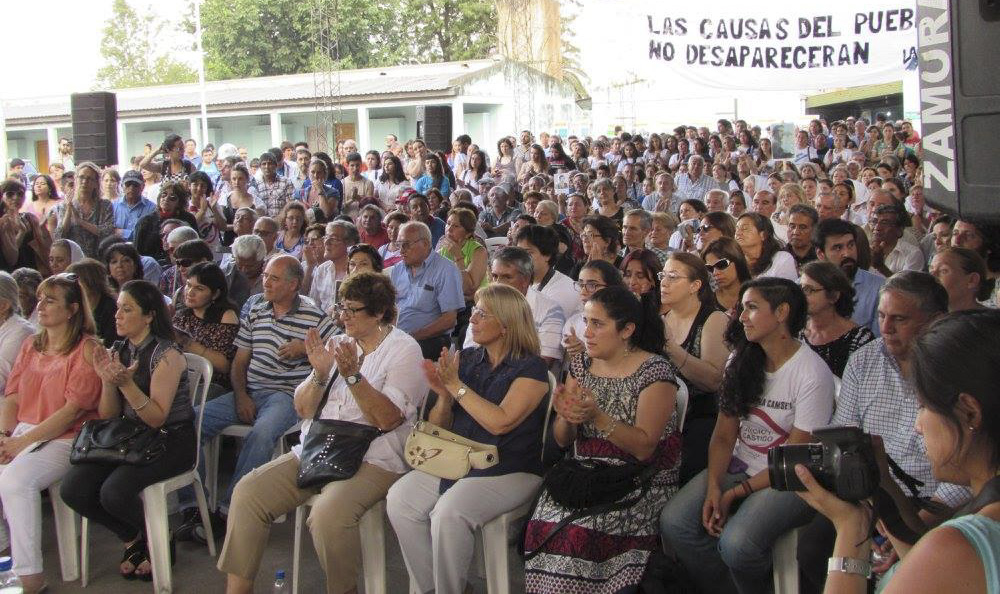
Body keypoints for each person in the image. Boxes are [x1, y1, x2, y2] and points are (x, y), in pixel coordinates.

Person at [219, 272, 426, 594]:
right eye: (341, 308)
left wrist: (354, 377)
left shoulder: (404, 349)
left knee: (328, 516)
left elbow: (387, 419)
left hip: (374, 456)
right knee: (248, 493)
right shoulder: (338, 342)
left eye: (352, 310)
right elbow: (302, 409)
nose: (343, 317)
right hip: (321, 447)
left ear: (379, 312)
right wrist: (319, 373)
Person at [796, 309, 1000, 594]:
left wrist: (851, 527)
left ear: (969, 413)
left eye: (924, 407)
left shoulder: (959, 546)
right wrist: (882, 485)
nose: (917, 426)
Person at [660, 277, 835, 594]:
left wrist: (734, 493)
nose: (740, 316)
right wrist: (715, 486)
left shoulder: (811, 373)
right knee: (676, 523)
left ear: (781, 312)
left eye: (751, 308)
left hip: (790, 476)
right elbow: (724, 436)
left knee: (738, 544)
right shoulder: (740, 360)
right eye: (742, 308)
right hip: (742, 465)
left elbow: (794, 457)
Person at [387, 283, 550, 594]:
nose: (472, 318)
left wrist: (456, 386)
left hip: (509, 466)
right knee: (400, 499)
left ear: (505, 325)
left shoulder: (531, 368)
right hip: (459, 459)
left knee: (448, 512)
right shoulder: (471, 357)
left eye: (481, 313)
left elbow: (500, 423)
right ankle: (434, 588)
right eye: (474, 311)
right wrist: (443, 395)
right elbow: (441, 427)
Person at [523, 286, 680, 592]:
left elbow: (645, 447)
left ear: (627, 330)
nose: (587, 332)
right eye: (586, 321)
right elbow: (563, 440)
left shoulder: (654, 371)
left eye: (598, 324)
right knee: (543, 524)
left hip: (639, 479)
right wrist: (567, 417)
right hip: (588, 473)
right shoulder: (581, 366)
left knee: (579, 533)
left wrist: (597, 417)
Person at [175, 255, 336, 539]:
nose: (266, 283)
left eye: (274, 278)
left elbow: (338, 350)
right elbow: (239, 362)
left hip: (286, 396)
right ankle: (194, 508)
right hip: (250, 390)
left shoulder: (314, 317)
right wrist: (240, 395)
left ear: (294, 284)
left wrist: (308, 348)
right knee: (190, 422)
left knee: (261, 433)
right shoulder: (257, 309)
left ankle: (230, 509)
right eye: (265, 277)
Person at [61, 280, 194, 582]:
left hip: (170, 440)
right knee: (74, 489)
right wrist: (107, 380)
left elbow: (158, 418)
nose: (117, 315)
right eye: (118, 307)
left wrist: (127, 385)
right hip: (129, 438)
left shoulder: (167, 354)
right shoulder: (120, 349)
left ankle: (160, 539)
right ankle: (134, 538)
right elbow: (109, 415)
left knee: (114, 492)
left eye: (127, 309)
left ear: (148, 316)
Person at [0, 273, 101, 592]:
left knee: (16, 481)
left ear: (72, 309)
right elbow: (12, 394)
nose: (40, 305)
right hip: (25, 431)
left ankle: (30, 577)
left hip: (68, 437)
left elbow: (71, 411)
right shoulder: (32, 344)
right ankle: (5, 547)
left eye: (50, 300)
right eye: (41, 298)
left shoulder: (87, 348)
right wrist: (5, 435)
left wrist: (20, 443)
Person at [659, 253, 730, 484]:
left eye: (673, 277)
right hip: (665, 412)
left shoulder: (713, 319)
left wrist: (671, 348)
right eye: (663, 275)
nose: (664, 282)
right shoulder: (664, 317)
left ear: (695, 285)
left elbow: (713, 380)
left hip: (700, 417)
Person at [389, 221, 465, 359]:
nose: (401, 250)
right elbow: (389, 308)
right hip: (396, 337)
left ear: (425, 244)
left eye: (406, 245)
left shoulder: (446, 270)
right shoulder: (397, 270)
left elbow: (449, 320)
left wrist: (411, 337)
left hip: (429, 340)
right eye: (399, 245)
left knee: (397, 356)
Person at [172, 262, 240, 398]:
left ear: (215, 294)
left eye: (199, 288)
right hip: (181, 378)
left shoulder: (226, 316)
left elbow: (224, 366)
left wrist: (187, 343)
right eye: (188, 285)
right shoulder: (182, 314)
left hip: (212, 383)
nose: (190, 292)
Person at [799, 261, 875, 378]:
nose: (802, 295)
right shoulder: (796, 331)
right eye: (801, 288)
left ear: (834, 295)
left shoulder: (860, 339)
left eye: (809, 290)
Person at [814, 218, 885, 337]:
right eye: (838, 248)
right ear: (821, 254)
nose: (847, 253)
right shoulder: (805, 288)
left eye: (851, 245)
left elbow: (879, 343)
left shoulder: (879, 288)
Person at [47, 162, 115, 258]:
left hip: (98, 259)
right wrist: (68, 210)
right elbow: (59, 237)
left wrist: (81, 222)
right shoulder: (63, 206)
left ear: (96, 183)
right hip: (73, 260)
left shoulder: (105, 205)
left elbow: (107, 232)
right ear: (76, 180)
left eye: (89, 179)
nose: (84, 181)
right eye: (81, 177)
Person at [133, 182, 199, 262]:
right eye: (163, 195)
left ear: (179, 202)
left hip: (182, 263)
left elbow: (196, 245)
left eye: (172, 198)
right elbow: (137, 253)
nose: (166, 199)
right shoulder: (145, 221)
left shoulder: (188, 219)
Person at [306, 220, 358, 315]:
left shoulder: (358, 272)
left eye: (333, 238)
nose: (326, 242)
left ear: (350, 244)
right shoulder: (322, 270)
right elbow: (313, 306)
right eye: (326, 237)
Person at [0, 179, 50, 274]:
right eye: (10, 194)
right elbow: (11, 256)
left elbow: (44, 247)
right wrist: (21, 232)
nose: (16, 197)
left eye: (20, 194)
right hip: (8, 271)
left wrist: (42, 228)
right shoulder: (2, 221)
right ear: (2, 196)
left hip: (31, 268)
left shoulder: (29, 218)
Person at [735, 212, 798, 280]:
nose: (738, 233)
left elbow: (787, 290)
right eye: (737, 229)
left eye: (745, 229)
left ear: (763, 235)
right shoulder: (732, 261)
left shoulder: (781, 259)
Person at [929, 247, 992, 312]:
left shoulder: (990, 321)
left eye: (943, 271)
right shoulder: (930, 317)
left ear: (972, 280)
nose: (932, 275)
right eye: (931, 269)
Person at [569, 215, 623, 280]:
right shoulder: (580, 266)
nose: (585, 239)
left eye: (590, 235)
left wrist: (599, 268)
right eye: (583, 235)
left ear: (607, 241)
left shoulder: (623, 265)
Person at [111, 170, 157, 242]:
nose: (131, 188)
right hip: (117, 249)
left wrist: (123, 233)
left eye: (135, 184)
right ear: (122, 186)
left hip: (141, 251)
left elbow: (150, 235)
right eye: (128, 184)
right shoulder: (113, 206)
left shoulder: (152, 208)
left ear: (142, 187)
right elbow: (108, 232)